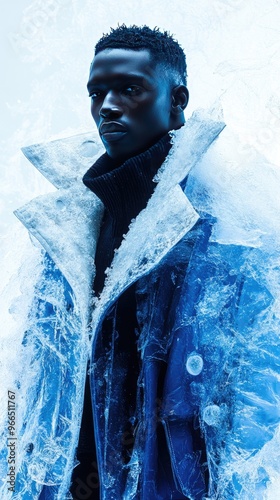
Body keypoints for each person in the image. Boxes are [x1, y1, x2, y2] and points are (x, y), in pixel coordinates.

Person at [9, 25, 280, 500]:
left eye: (129, 89)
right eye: (97, 93)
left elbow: (258, 398)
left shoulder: (230, 228)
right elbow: (25, 381)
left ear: (177, 101)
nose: (108, 106)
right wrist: (14, 477)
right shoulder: (66, 228)